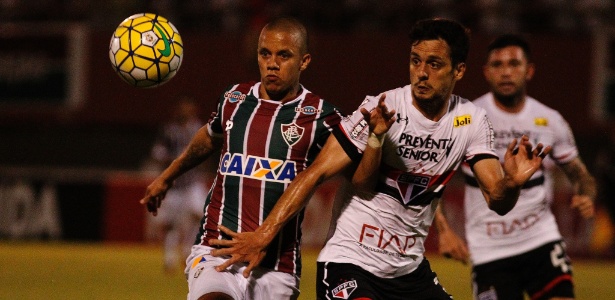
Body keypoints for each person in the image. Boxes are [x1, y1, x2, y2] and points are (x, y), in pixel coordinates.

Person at [208, 18, 551, 300]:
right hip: (350, 263)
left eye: (434, 64)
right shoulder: (381, 107)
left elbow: (498, 200)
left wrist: (513, 183)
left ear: (458, 71)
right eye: (416, 61)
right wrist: (263, 235)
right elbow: (315, 175)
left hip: (409, 273)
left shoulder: (471, 120)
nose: (421, 73)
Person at [140, 17, 343, 300]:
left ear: (304, 61)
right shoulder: (234, 99)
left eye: (284, 55)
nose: (272, 63)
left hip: (277, 268)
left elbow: (357, 168)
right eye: (265, 54)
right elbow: (210, 136)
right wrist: (167, 176)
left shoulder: (322, 116)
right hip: (217, 253)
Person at [435, 34, 596, 300]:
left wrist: (586, 194)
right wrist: (443, 230)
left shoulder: (550, 120)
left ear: (529, 70)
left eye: (514, 64)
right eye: (497, 65)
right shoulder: (467, 119)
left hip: (541, 241)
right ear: (486, 72)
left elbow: (580, 174)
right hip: (490, 250)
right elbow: (431, 177)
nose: (506, 72)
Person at [147, 97, 208, 273]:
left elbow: (207, 149)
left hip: (193, 183)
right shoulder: (169, 130)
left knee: (200, 216)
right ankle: (169, 259)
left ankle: (188, 250)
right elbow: (157, 153)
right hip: (174, 185)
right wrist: (175, 161)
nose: (186, 112)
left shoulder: (198, 128)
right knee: (170, 224)